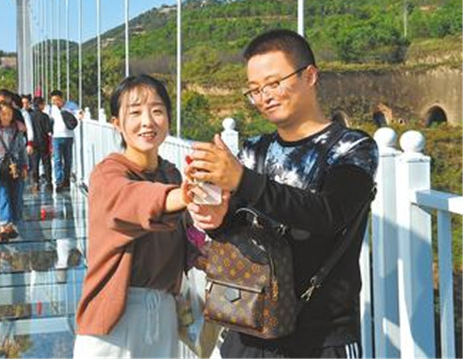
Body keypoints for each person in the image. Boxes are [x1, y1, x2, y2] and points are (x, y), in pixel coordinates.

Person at [186, 29, 379, 358]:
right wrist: (215, 220)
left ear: (310, 76)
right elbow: (236, 233)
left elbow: (330, 214)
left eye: (274, 83)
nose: (264, 96)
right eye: (255, 90)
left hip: (321, 337)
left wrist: (242, 180)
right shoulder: (254, 151)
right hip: (248, 328)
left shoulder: (351, 148)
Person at [74, 74, 193, 358]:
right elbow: (131, 198)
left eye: (157, 111)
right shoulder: (108, 174)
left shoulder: (171, 174)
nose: (148, 122)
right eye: (135, 112)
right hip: (114, 320)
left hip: (164, 315)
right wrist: (186, 195)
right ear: (116, 123)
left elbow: (181, 238)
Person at [0, 101, 28, 242]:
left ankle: (11, 224)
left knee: (16, 195)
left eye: (9, 113)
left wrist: (25, 166)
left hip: (16, 165)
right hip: (0, 167)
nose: (6, 116)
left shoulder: (17, 129)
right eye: (3, 113)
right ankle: (4, 226)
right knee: (3, 194)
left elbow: (22, 149)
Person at [48, 90, 74, 191]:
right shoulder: (52, 109)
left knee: (68, 160)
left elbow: (78, 114)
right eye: (53, 100)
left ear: (62, 99)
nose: (55, 102)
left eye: (57, 100)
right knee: (57, 160)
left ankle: (66, 179)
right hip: (56, 137)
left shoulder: (71, 106)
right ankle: (59, 181)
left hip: (68, 136)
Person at [29, 96, 53, 191]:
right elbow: (48, 130)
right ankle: (49, 182)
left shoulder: (30, 116)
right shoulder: (45, 116)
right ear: (40, 105)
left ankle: (36, 182)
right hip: (44, 142)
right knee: (46, 162)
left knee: (35, 163)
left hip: (33, 143)